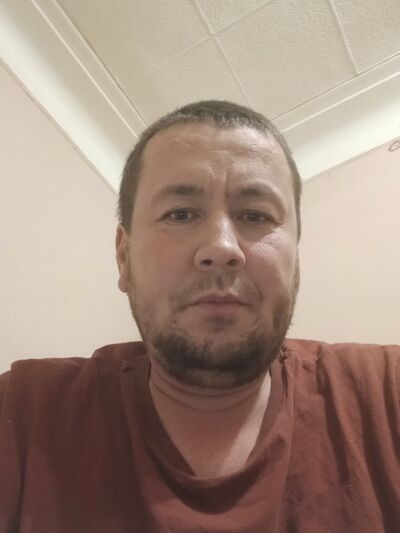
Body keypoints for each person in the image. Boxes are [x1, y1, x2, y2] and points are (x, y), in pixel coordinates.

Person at [0, 100, 399, 533]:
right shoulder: (23, 413)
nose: (221, 248)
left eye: (255, 215)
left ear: (296, 261)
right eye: (180, 214)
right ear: (124, 257)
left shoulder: (386, 394)